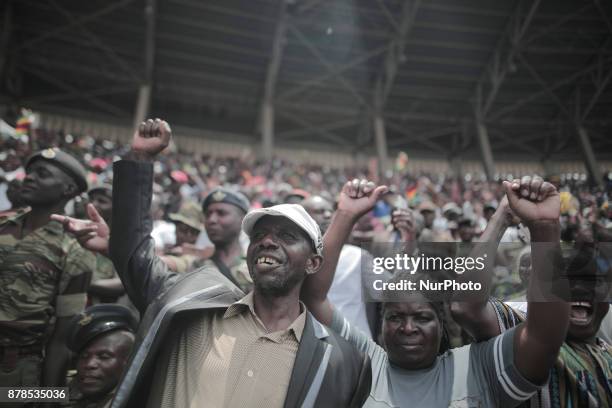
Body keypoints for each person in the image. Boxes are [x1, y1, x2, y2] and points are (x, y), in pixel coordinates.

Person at [57, 118, 372, 408]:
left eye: (286, 236)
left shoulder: (340, 361)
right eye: (260, 234)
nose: (267, 241)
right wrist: (140, 160)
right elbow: (135, 255)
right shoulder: (190, 305)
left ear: (314, 263)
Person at [301, 176, 570, 407]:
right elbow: (313, 297)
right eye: (395, 317)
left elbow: (543, 336)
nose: (408, 328)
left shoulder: (477, 368)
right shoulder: (366, 363)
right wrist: (345, 215)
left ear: (441, 323)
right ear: (380, 323)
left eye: (422, 317)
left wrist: (544, 228)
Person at [0, 148, 95, 389]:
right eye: (30, 172)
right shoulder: (3, 223)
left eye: (42, 174)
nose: (29, 177)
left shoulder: (75, 248)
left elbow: (62, 339)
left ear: (68, 190)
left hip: (14, 375)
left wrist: (50, 397)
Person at [302, 195, 373, 337]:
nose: (328, 215)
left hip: (356, 344)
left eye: (330, 211)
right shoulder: (294, 259)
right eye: (320, 211)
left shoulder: (356, 256)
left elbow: (393, 291)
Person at [65, 304, 137, 408]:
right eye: (84, 356)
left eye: (104, 357)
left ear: (129, 361)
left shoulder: (139, 399)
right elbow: (37, 395)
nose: (89, 364)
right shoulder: (76, 387)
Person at [197, 187, 253, 291]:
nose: (211, 220)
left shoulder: (255, 266)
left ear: (242, 219)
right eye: (208, 214)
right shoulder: (197, 266)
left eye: (221, 213)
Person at [160, 200, 209, 273]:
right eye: (183, 229)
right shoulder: (169, 249)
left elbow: (181, 263)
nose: (188, 235)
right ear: (176, 228)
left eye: (194, 232)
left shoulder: (198, 258)